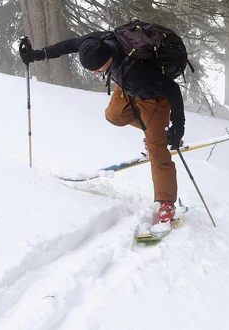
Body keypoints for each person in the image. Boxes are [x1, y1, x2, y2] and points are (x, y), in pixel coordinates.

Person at [18, 30, 184, 224]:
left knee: (157, 148)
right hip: (126, 85)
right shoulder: (94, 43)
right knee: (113, 115)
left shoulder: (139, 72)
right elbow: (66, 46)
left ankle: (166, 201)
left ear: (109, 59)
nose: (95, 73)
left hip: (153, 97)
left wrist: (178, 127)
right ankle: (153, 132)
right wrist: (37, 55)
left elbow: (173, 89)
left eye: (97, 69)